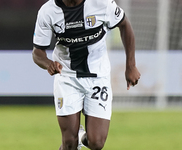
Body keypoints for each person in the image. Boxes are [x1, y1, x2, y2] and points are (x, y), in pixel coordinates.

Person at [32, 0, 141, 149]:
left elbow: (124, 24)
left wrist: (131, 66)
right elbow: (37, 52)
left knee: (96, 143)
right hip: (67, 77)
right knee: (69, 143)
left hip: (98, 76)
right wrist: (48, 64)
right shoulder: (48, 11)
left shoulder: (101, 3)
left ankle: (81, 136)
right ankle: (74, 140)